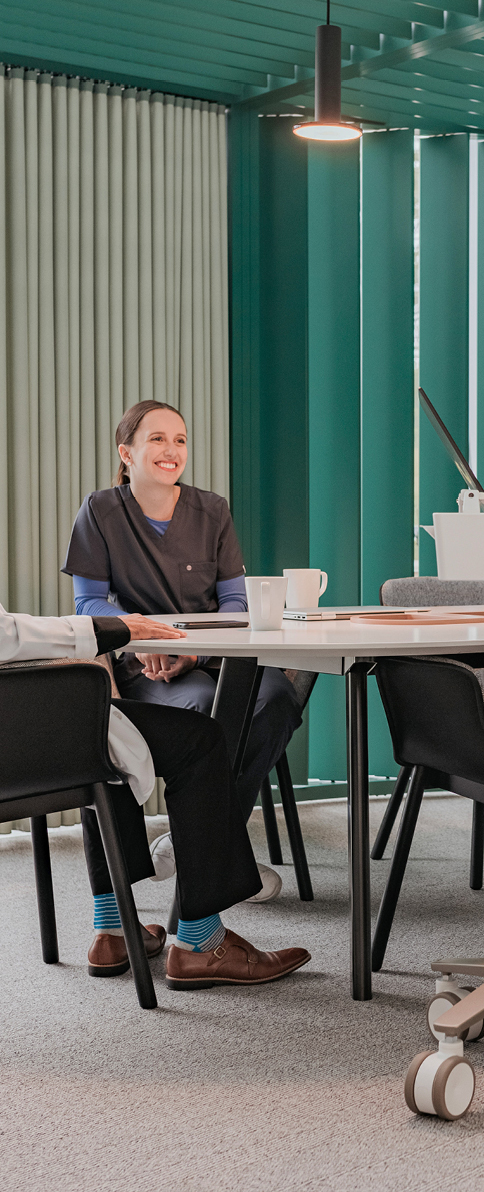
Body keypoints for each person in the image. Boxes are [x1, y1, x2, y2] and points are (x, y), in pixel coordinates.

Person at [62, 399, 302, 902]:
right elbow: (89, 600)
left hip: (213, 654)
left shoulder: (212, 509)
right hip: (142, 662)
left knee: (277, 697)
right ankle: (211, 856)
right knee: (198, 711)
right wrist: (140, 641)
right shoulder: (100, 510)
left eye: (180, 439)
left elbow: (234, 600)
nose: (172, 450)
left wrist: (193, 653)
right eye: (157, 438)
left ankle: (195, 842)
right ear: (126, 452)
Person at [0, 602, 310, 989]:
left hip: (18, 727)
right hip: (19, 734)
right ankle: (202, 944)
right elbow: (6, 635)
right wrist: (113, 628)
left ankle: (113, 931)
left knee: (105, 734)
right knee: (199, 740)